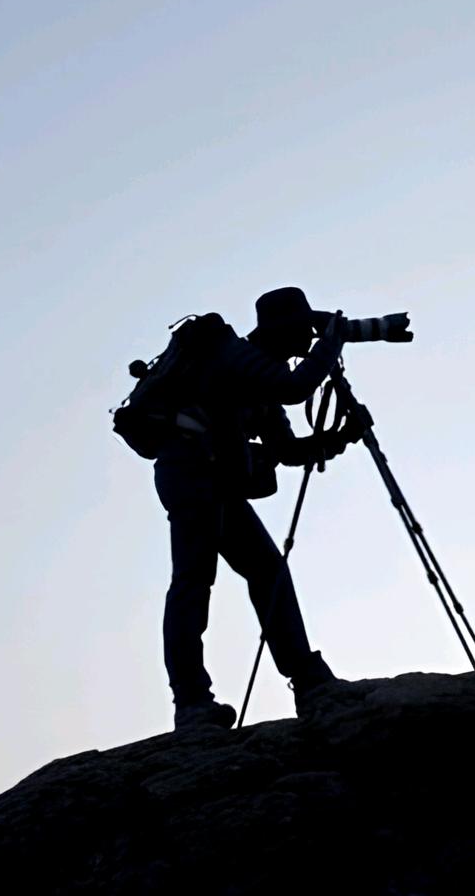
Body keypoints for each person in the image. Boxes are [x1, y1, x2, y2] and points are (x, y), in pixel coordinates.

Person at [153, 287, 360, 731]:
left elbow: (286, 450)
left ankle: (306, 678)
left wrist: (339, 438)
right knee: (194, 581)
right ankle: (191, 702)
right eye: (302, 330)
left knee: (267, 570)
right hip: (189, 472)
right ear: (280, 329)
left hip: (215, 481)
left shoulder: (261, 375)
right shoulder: (235, 354)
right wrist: (333, 343)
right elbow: (296, 389)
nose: (306, 340)